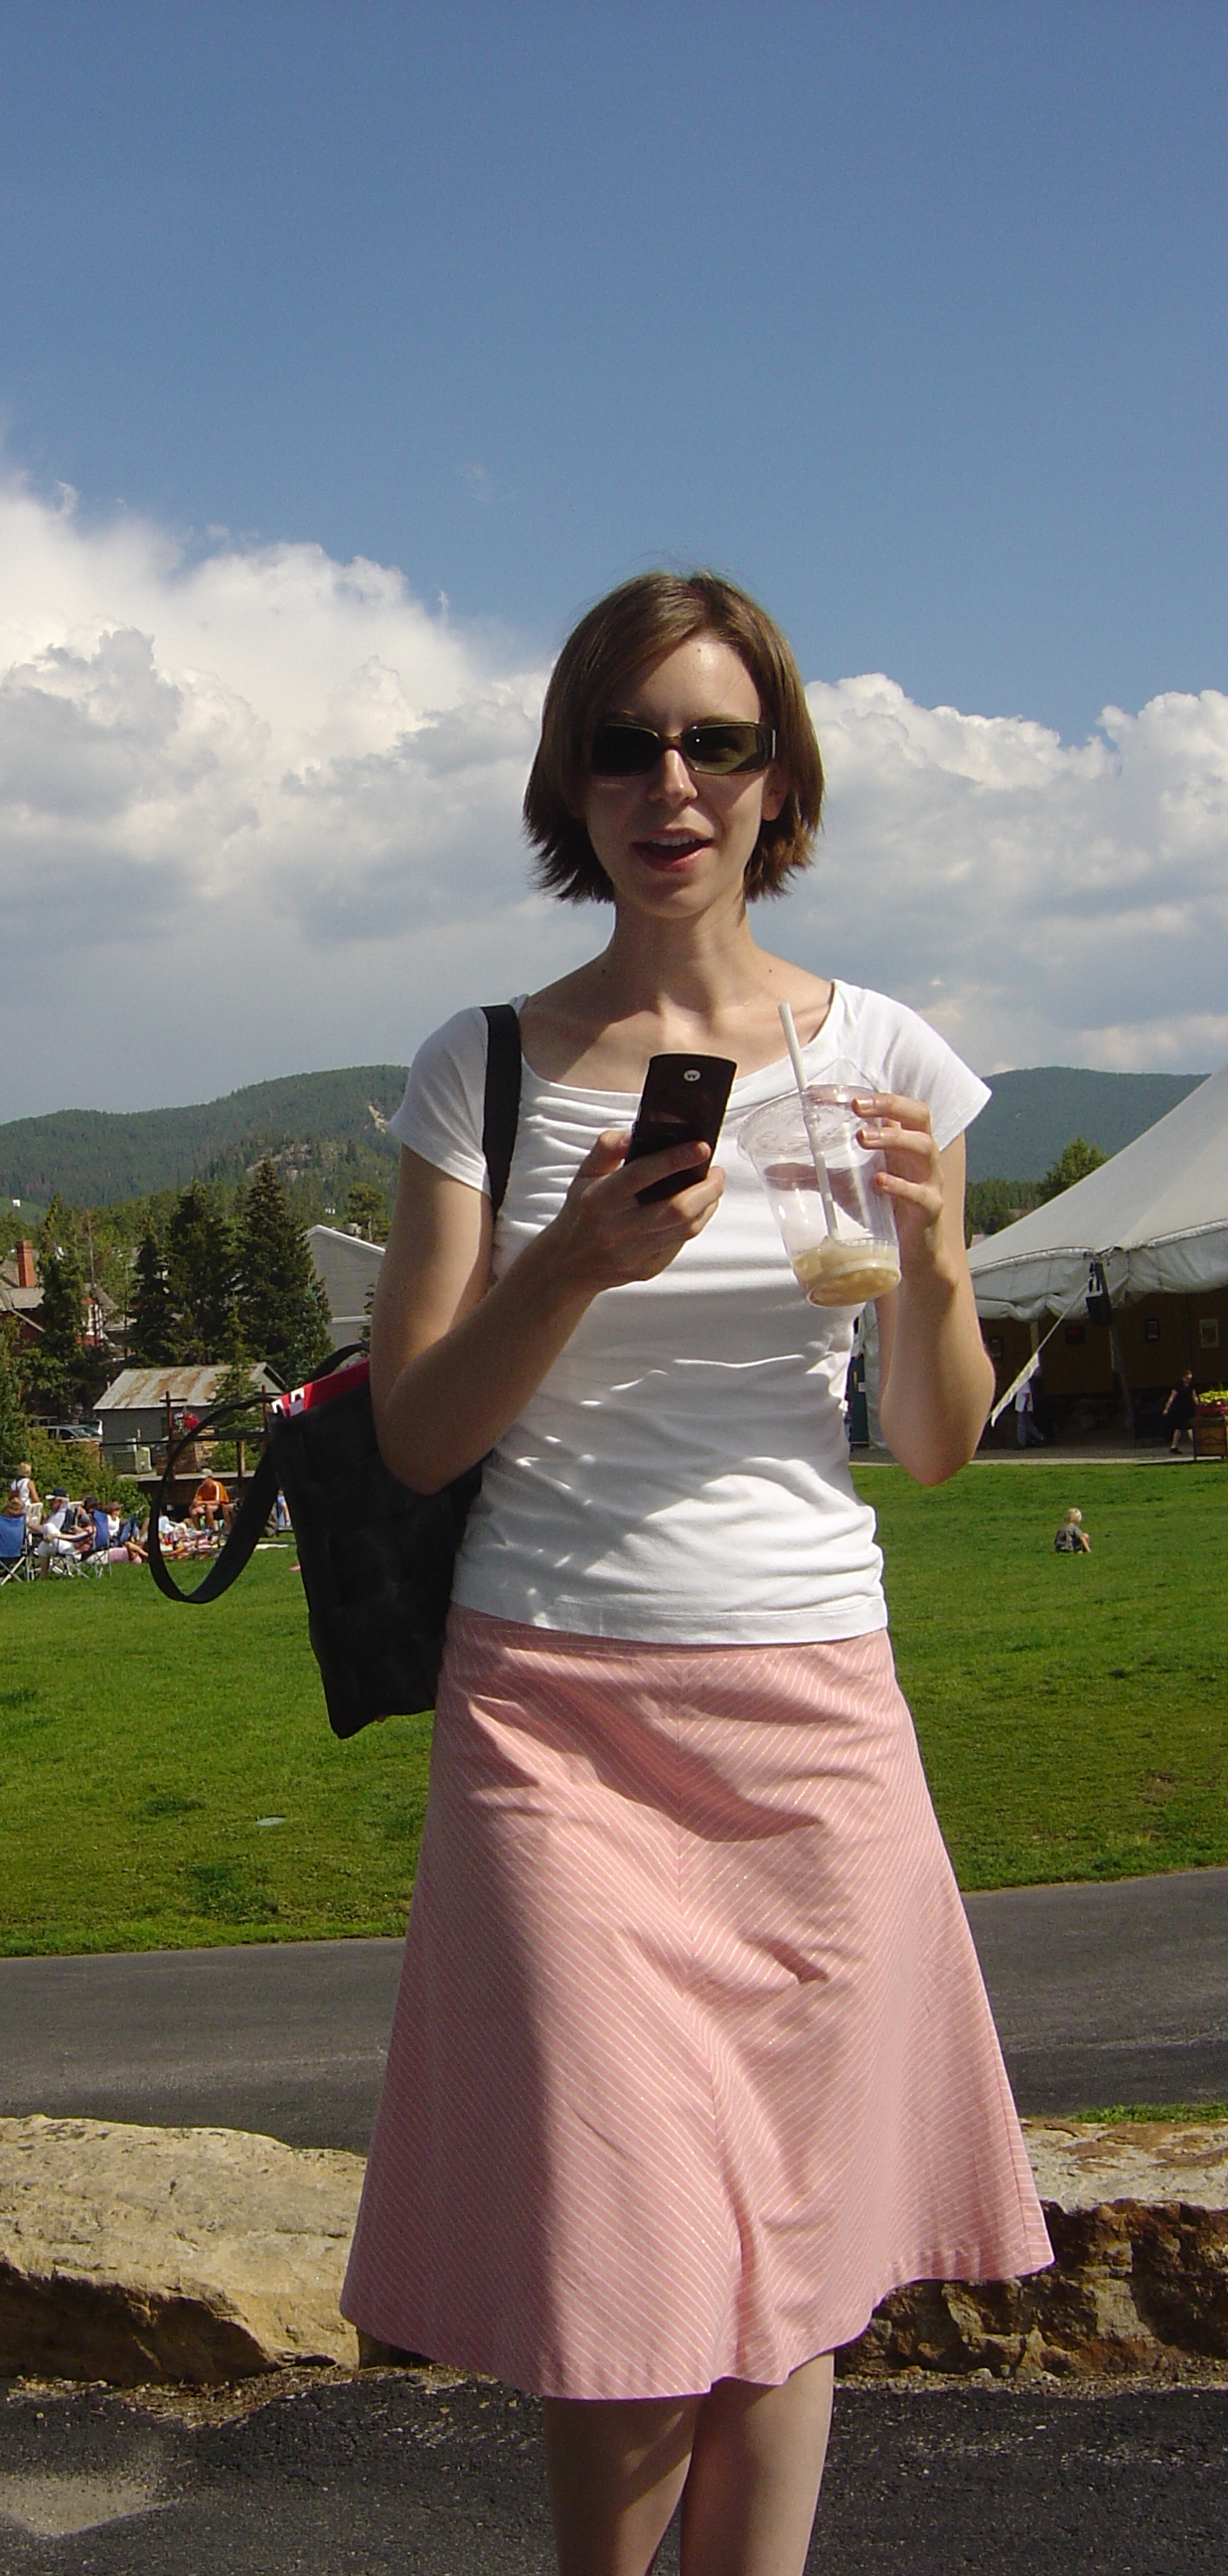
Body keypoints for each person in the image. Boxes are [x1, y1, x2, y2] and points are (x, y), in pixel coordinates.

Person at [338, 571, 1051, 2576]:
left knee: (793, 2267)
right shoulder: (485, 1067)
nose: (672, 783)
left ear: (775, 778)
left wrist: (931, 1266)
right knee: (623, 2265)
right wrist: (569, 1262)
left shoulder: (887, 1055)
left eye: (716, 742)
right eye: (625, 743)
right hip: (554, 1721)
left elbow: (932, 1441)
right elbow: (416, 1434)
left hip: (810, 1713)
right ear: (570, 782)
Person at [1163, 1369, 1198, 1455]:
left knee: (1184, 1428)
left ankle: (1174, 1446)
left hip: (1189, 1409)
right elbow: (1172, 1397)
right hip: (1180, 1410)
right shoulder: (1178, 1386)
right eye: (1187, 1378)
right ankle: (1196, 1446)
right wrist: (1167, 1408)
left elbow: (1194, 1396)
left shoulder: (1191, 1385)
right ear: (1183, 1377)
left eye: (1190, 1379)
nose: (1189, 1380)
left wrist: (1198, 1404)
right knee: (1183, 1428)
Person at [1013, 1367, 1045, 1447]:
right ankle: (1040, 1437)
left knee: (1021, 1425)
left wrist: (1026, 1406)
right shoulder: (1020, 1382)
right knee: (1028, 1424)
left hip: (1023, 1406)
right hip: (1020, 1406)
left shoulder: (1024, 1382)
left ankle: (1021, 1442)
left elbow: (1027, 1394)